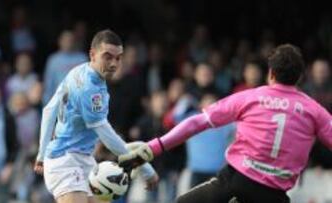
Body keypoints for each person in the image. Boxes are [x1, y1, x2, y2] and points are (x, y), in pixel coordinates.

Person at [118, 44, 332, 203]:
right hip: (274, 196)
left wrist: (155, 146)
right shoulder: (315, 111)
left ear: (271, 74)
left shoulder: (249, 97)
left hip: (236, 184)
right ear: (301, 77)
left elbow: (197, 123)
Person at [34, 29, 158, 203]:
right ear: (92, 54)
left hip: (84, 159)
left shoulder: (77, 71)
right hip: (66, 160)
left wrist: (41, 153)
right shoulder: (90, 89)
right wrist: (145, 168)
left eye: (118, 58)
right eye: (107, 57)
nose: (114, 64)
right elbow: (107, 136)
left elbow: (49, 110)